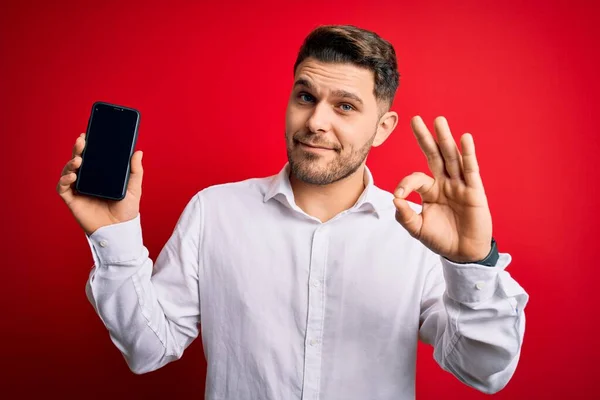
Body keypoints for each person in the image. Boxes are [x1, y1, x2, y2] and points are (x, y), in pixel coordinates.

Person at [56, 24, 529, 400]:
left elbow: (482, 370)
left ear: (382, 128)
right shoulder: (215, 212)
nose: (316, 121)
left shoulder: (418, 235)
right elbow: (147, 348)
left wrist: (473, 263)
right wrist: (114, 236)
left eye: (344, 106)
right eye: (306, 97)